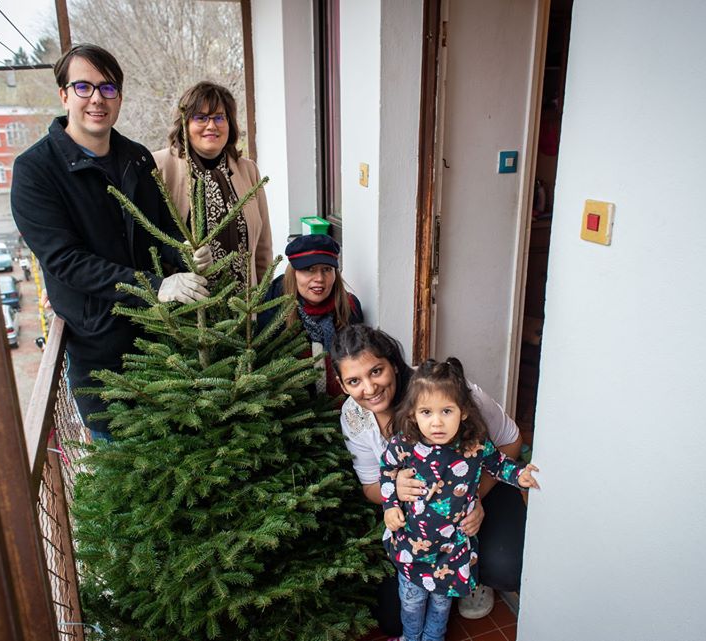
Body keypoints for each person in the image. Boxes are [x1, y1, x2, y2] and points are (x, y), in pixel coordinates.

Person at [11, 43, 211, 439]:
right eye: (84, 87)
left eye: (108, 88)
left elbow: (159, 228)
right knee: (122, 470)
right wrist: (158, 287)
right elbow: (67, 261)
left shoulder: (136, 158)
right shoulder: (36, 171)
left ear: (119, 96)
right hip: (102, 354)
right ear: (64, 94)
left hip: (162, 343)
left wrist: (183, 252)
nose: (97, 99)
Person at [331, 325, 528, 635]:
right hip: (420, 526)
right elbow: (371, 486)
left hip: (475, 490)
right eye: (355, 381)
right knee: (395, 618)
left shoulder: (445, 391)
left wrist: (474, 497)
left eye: (376, 371)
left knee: (506, 566)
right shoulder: (353, 417)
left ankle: (474, 575)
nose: (369, 388)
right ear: (343, 385)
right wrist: (393, 491)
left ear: (393, 365)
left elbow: (511, 443)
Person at [380, 358, 539, 641]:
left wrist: (520, 475)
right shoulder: (405, 443)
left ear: (463, 412)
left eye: (446, 411)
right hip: (413, 548)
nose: (437, 422)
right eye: (426, 412)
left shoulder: (474, 445)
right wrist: (391, 504)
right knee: (411, 602)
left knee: (441, 606)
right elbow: (387, 471)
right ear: (414, 413)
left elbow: (500, 464)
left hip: (452, 552)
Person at [153, 82, 272, 287]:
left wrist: (263, 299)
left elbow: (263, 247)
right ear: (185, 123)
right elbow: (150, 240)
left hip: (243, 307)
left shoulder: (248, 171)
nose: (212, 125)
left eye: (219, 117)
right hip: (186, 310)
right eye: (201, 117)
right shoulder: (160, 167)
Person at [257, 234, 363, 397]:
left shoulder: (349, 307)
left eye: (327, 269)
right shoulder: (273, 309)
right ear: (294, 274)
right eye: (309, 269)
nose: (319, 279)